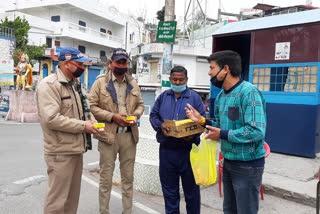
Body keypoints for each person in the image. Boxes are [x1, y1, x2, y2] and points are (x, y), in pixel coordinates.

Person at [185, 50, 267, 214]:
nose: (209, 72)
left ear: (226, 69)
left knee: (245, 211)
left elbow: (256, 131)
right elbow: (221, 125)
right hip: (228, 163)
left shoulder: (248, 93)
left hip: (248, 167)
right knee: (229, 210)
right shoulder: (222, 96)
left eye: (212, 68)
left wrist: (222, 134)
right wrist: (202, 121)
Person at [36, 47, 99, 214]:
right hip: (60, 152)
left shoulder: (74, 84)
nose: (82, 67)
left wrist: (91, 121)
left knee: (71, 199)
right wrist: (83, 126)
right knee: (57, 202)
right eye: (79, 64)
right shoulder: (49, 85)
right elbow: (51, 119)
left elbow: (83, 109)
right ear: (65, 63)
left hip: (75, 149)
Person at [89, 48, 144, 214]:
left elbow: (140, 104)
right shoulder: (100, 82)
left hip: (129, 137)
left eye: (124, 62)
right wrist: (112, 116)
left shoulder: (133, 83)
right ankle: (103, 212)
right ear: (110, 64)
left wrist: (135, 115)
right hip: (108, 137)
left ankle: (127, 211)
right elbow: (92, 106)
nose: (122, 65)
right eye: (118, 62)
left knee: (128, 180)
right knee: (106, 179)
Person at [149, 66, 205, 214]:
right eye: (175, 80)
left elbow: (202, 121)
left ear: (186, 80)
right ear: (170, 80)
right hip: (167, 151)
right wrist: (161, 126)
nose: (178, 82)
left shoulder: (195, 98)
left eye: (181, 80)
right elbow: (153, 115)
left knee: (192, 192)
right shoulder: (162, 97)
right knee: (169, 192)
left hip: (189, 152)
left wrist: (193, 135)